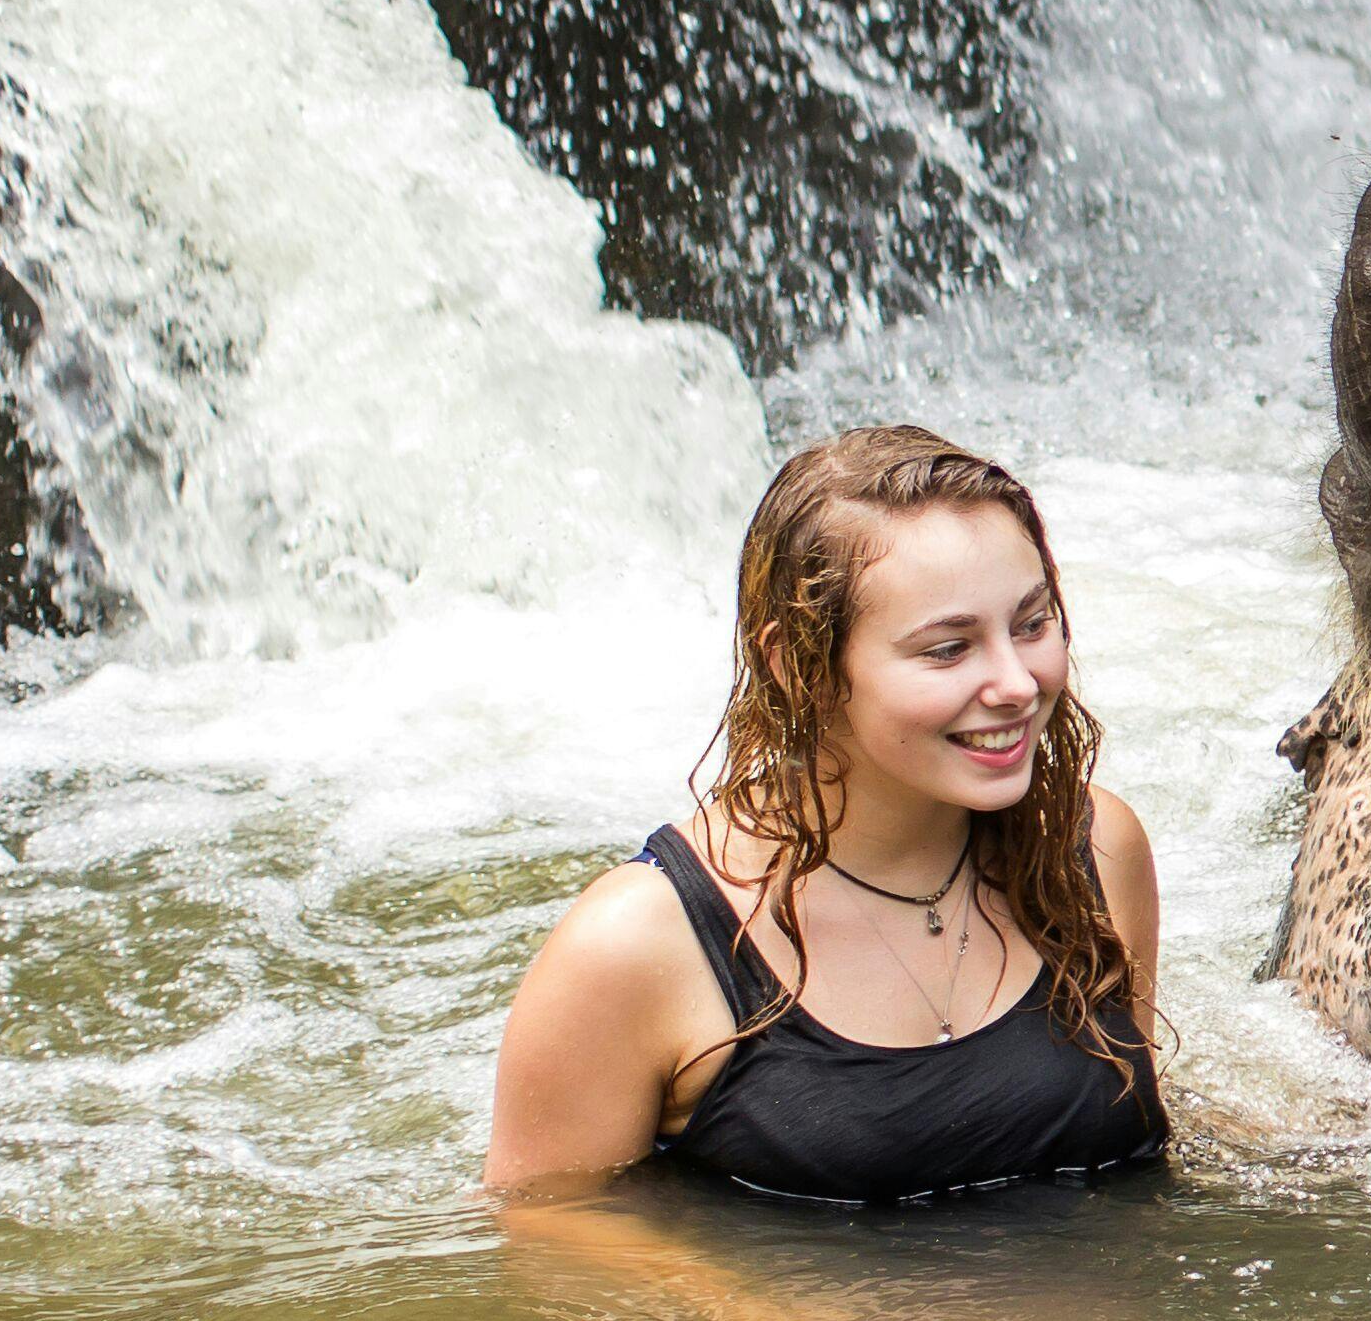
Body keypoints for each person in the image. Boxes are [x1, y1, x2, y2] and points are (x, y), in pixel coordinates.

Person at [487, 423, 1168, 1206]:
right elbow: (549, 1227)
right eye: (948, 648)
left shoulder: (1091, 850)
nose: (1016, 683)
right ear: (798, 663)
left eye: (1031, 623)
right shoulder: (640, 944)